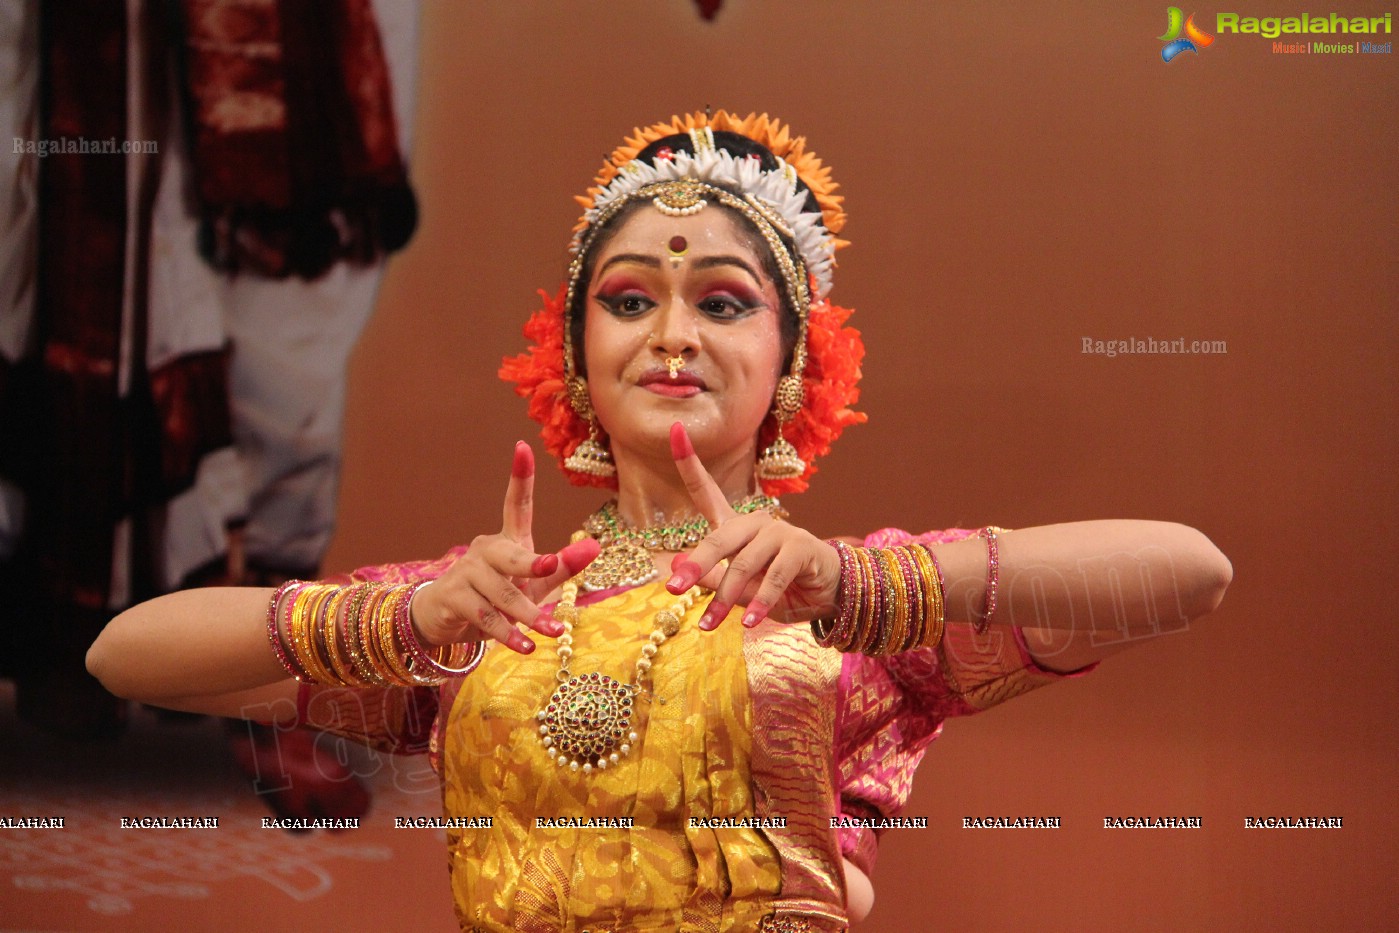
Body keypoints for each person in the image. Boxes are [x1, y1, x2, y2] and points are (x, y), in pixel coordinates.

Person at [86, 111, 1233, 932]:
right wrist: (402, 617)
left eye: (723, 303)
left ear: (794, 363)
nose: (671, 334)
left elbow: (1190, 573)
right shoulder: (486, 607)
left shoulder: (842, 604)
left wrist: (851, 586)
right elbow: (124, 656)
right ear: (575, 358)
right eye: (628, 299)